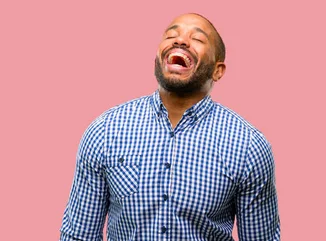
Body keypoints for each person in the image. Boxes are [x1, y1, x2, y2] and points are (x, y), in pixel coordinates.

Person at [59, 13, 280, 241]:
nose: (180, 41)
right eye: (171, 35)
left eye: (198, 39)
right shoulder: (105, 131)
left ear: (218, 70)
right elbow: (79, 235)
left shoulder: (249, 146)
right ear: (157, 59)